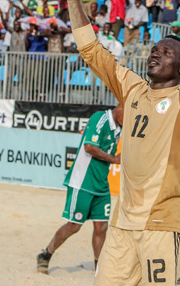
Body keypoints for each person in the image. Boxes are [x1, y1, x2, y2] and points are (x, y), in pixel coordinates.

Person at [54, 0, 180, 284]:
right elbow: (90, 50)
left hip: (163, 223)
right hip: (122, 225)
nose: (155, 52)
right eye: (154, 48)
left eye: (166, 52)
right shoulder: (132, 89)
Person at [37, 105, 123, 274]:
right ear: (121, 107)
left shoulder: (119, 127)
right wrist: (114, 159)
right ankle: (46, 254)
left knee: (101, 227)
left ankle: (99, 268)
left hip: (101, 184)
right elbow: (89, 147)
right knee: (74, 226)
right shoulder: (101, 118)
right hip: (82, 182)